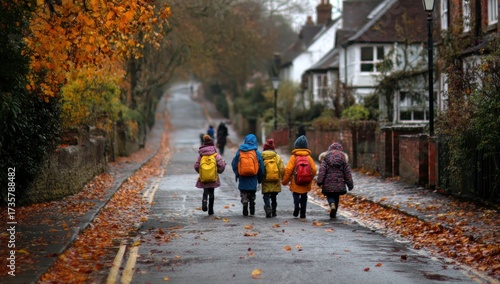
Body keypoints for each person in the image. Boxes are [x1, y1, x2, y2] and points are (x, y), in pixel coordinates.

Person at [282, 135, 317, 219]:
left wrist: (285, 181)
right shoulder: (308, 157)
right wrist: (310, 177)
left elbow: (288, 170)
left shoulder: (294, 157)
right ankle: (303, 214)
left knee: (296, 194)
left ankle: (297, 206)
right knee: (304, 196)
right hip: (306, 182)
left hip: (296, 182)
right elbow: (314, 169)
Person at [316, 142, 354, 219]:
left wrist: (320, 181)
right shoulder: (343, 161)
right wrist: (350, 184)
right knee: (336, 197)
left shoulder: (325, 160)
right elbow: (347, 174)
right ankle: (334, 212)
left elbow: (322, 171)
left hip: (328, 184)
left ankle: (331, 204)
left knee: (329, 195)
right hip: (339, 184)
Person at [231, 134, 264, 216]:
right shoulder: (256, 152)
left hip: (243, 177)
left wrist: (237, 173)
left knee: (244, 191)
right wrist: (260, 178)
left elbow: (234, 163)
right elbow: (261, 167)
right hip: (253, 177)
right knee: (252, 192)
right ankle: (252, 205)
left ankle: (244, 202)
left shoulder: (240, 151)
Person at [194, 135, 226, 215]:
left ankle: (204, 201)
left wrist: (202, 172)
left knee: (205, 191)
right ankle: (210, 210)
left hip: (204, 178)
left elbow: (196, 166)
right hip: (213, 177)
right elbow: (221, 165)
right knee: (212, 193)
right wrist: (218, 170)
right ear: (212, 145)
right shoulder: (215, 155)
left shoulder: (201, 155)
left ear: (204, 144)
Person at [261, 139, 285, 218]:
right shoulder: (277, 157)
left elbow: (260, 168)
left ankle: (268, 207)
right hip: (275, 180)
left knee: (266, 195)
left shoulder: (262, 156)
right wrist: (281, 177)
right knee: (274, 196)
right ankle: (274, 211)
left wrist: (260, 177)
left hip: (266, 179)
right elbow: (281, 169)